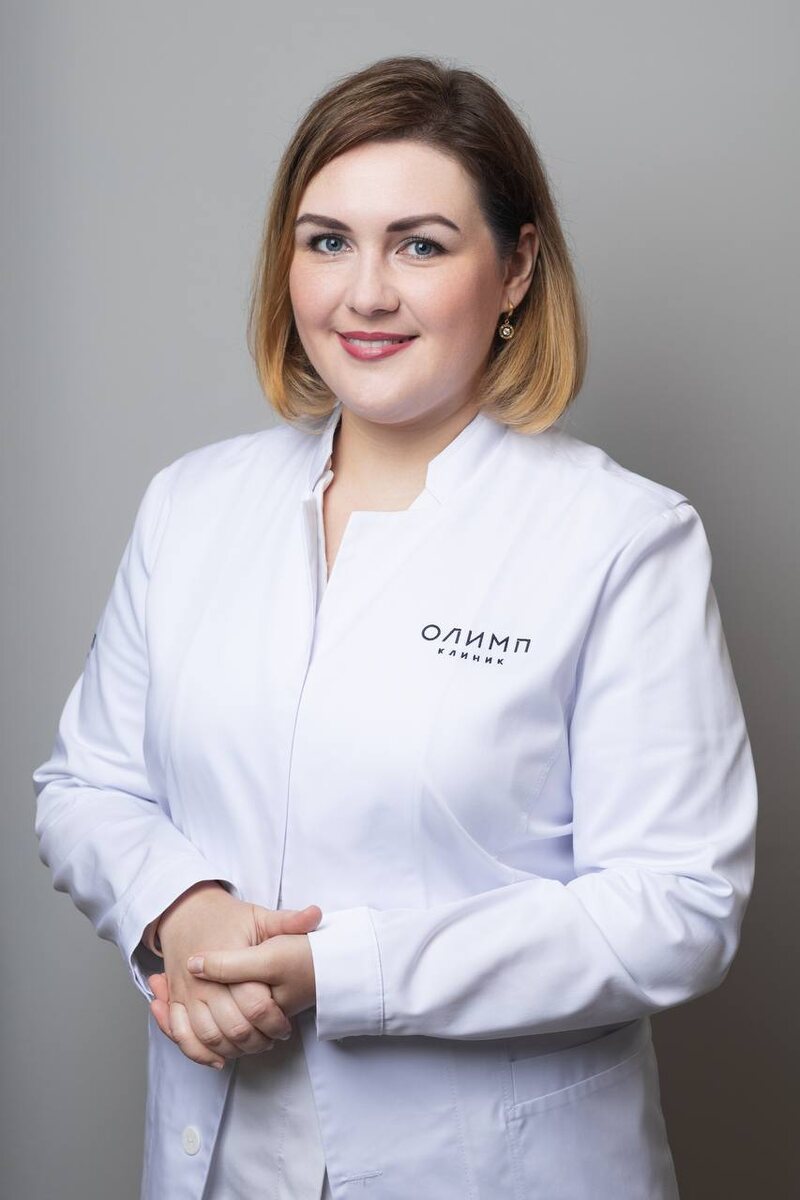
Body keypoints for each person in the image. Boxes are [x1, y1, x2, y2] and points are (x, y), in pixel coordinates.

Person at [32, 54, 758, 1200]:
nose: (364, 293)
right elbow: (85, 787)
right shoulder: (192, 504)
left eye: (419, 245)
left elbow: (677, 909)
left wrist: (341, 970)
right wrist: (180, 908)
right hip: (218, 1157)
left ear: (515, 267)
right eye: (327, 241)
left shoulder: (620, 538)